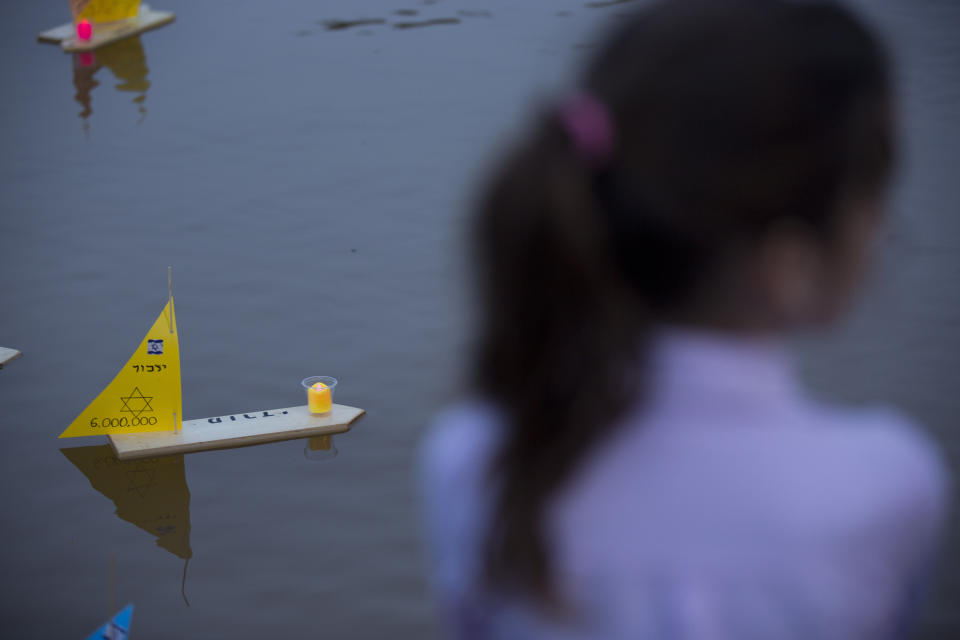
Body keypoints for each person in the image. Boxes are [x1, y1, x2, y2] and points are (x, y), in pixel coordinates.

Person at [419, 1, 949, 638]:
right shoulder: (889, 487)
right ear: (787, 266)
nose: (884, 227)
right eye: (874, 188)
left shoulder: (473, 464)